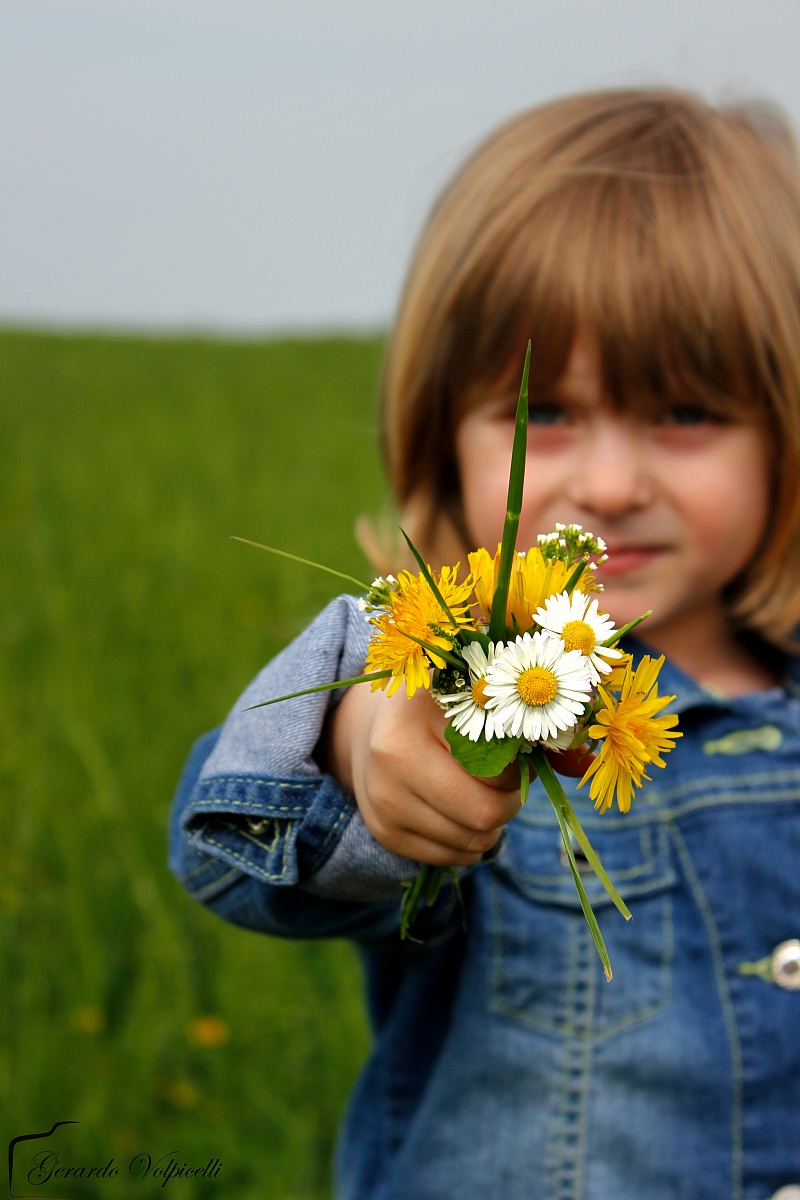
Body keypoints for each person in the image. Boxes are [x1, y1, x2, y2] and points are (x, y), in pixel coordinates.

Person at [169, 88, 800, 1199]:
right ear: (439, 430)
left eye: (687, 412)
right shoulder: (446, 688)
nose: (607, 484)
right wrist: (367, 753)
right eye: (542, 412)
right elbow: (224, 854)